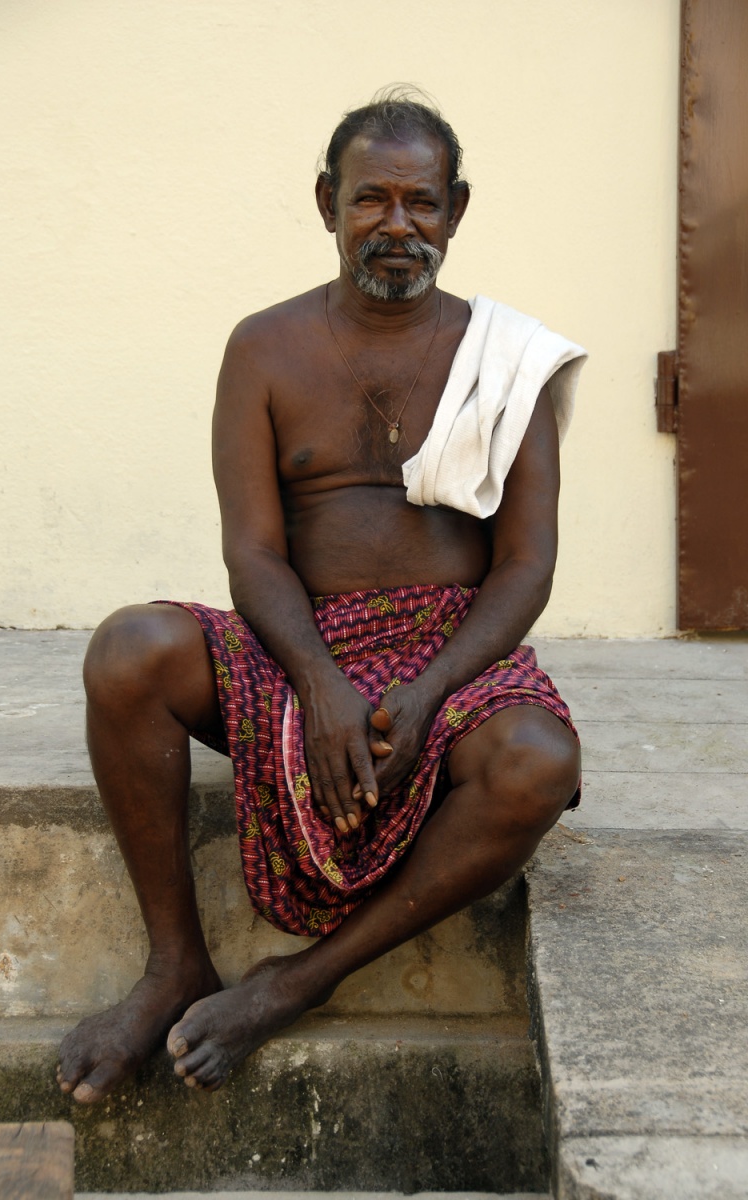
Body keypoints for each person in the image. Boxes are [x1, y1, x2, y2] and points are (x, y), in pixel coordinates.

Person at [57, 92, 585, 1105]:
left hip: (448, 644)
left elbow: (522, 566)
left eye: (420, 202)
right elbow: (252, 552)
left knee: (538, 762)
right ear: (325, 203)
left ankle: (294, 982)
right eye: (369, 200)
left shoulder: (507, 360)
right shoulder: (263, 347)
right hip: (295, 637)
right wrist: (320, 682)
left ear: (456, 209)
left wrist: (425, 693)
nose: (396, 225)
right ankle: (173, 962)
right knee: (129, 648)